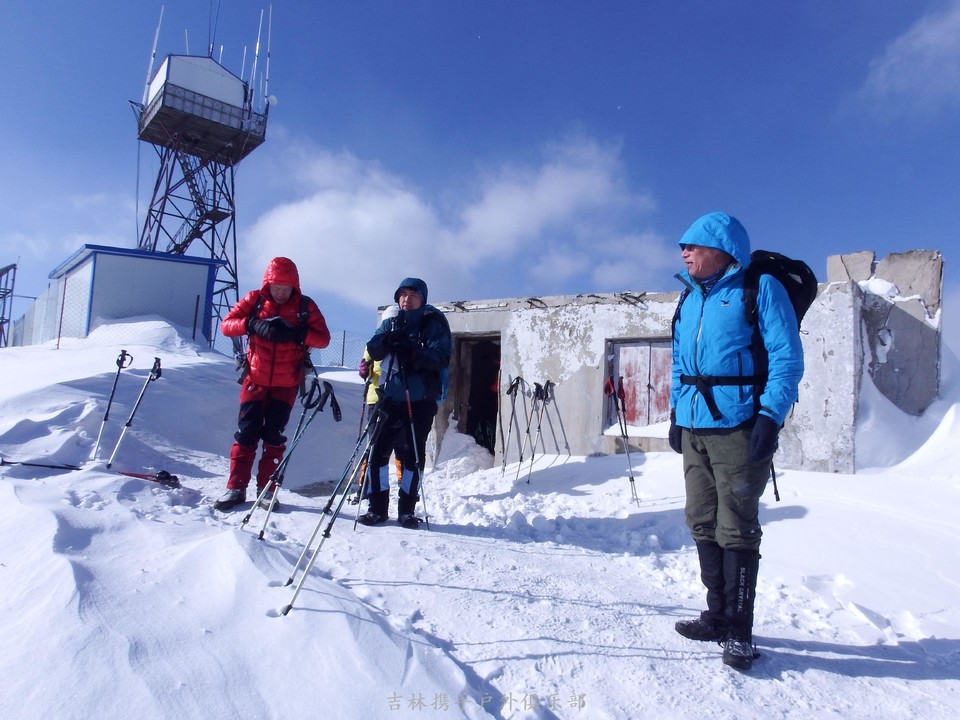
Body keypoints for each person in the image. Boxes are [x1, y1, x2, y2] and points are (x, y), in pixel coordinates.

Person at [668, 212, 804, 671]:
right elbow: (677, 361)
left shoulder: (759, 288)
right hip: (694, 427)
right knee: (701, 520)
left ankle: (740, 632)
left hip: (740, 425)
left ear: (722, 249)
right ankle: (717, 617)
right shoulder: (687, 299)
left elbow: (787, 356)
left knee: (737, 526)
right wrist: (674, 411)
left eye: (692, 245)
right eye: (683, 247)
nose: (683, 252)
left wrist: (771, 414)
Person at [214, 257, 331, 511]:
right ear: (268, 283)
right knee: (246, 435)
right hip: (254, 380)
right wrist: (251, 324)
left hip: (286, 385)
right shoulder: (254, 300)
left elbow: (324, 339)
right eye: (276, 286)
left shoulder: (305, 307)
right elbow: (225, 326)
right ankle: (235, 488)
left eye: (285, 287)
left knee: (274, 437)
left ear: (294, 287)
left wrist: (298, 333)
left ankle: (266, 491)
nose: (280, 292)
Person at [359, 278, 452, 529]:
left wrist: (413, 352)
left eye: (413, 295)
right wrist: (386, 341)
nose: (406, 300)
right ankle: (376, 508)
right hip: (390, 398)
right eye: (402, 295)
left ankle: (407, 511)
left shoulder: (433, 325)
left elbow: (441, 357)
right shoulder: (391, 322)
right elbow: (373, 347)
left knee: (412, 457)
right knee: (378, 453)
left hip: (420, 401)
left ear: (423, 299)